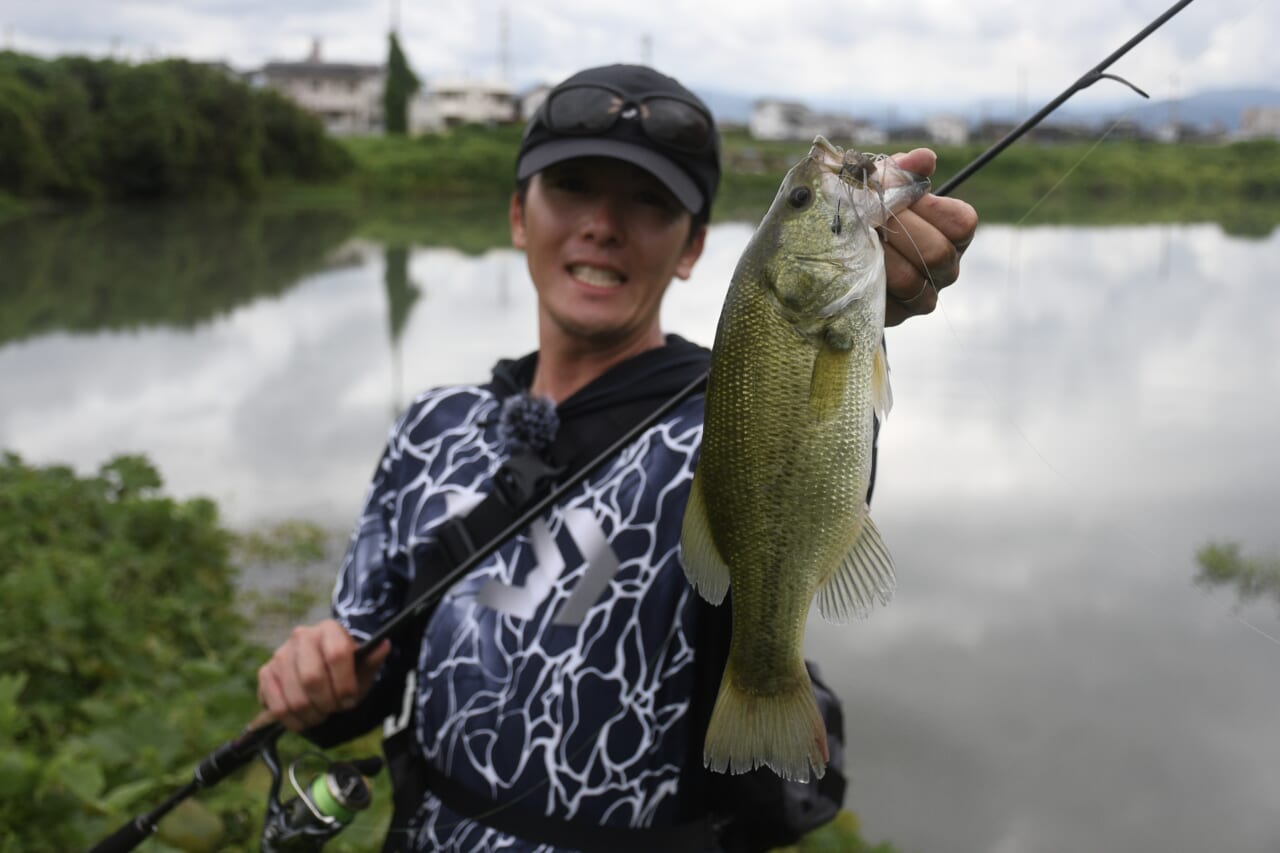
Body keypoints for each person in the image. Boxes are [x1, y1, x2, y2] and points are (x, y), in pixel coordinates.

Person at [257, 63, 977, 852]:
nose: (603, 224)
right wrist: (325, 682)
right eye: (571, 187)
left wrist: (877, 311)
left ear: (693, 244)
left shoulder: (710, 416)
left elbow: (809, 455)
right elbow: (371, 664)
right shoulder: (433, 428)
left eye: (649, 201)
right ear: (518, 216)